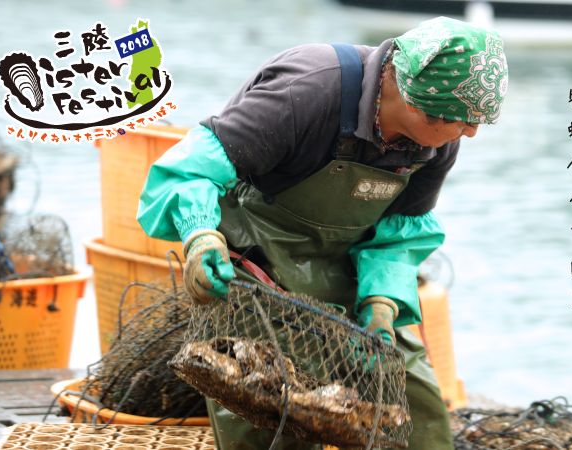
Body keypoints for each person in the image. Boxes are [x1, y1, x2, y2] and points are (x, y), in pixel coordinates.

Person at [137, 16, 508, 450]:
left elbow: (399, 234)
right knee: (268, 408)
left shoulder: (439, 143)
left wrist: (382, 302)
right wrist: (201, 237)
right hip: (258, 267)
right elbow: (188, 169)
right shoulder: (309, 91)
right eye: (461, 120)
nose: (471, 131)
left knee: (415, 397)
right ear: (413, 101)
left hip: (346, 268)